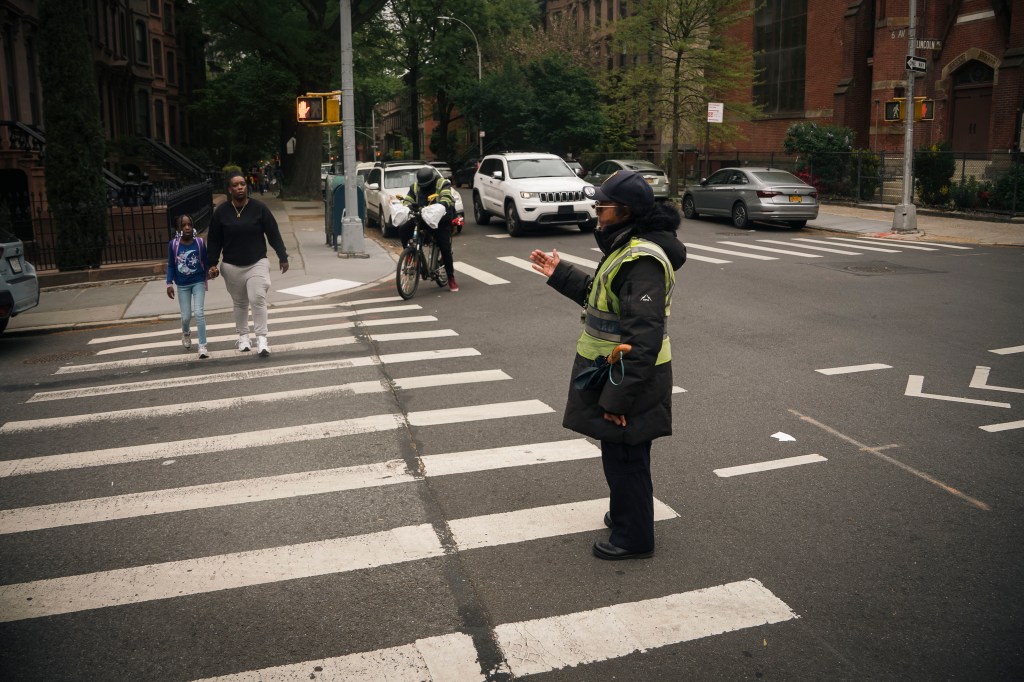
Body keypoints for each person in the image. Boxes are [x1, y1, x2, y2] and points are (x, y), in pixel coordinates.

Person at [529, 169, 686, 561]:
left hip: (630, 381)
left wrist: (618, 400)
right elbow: (603, 301)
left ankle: (634, 538)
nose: (596, 212)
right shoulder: (624, 247)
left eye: (603, 206)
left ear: (627, 210)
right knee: (619, 453)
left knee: (627, 456)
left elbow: (643, 340)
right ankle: (624, 515)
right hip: (617, 375)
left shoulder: (641, 260)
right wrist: (559, 274)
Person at [207, 171, 289, 357]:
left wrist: (282, 256)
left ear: (247, 186)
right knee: (240, 303)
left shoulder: (259, 208)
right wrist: (211, 263)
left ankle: (262, 339)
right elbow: (214, 240)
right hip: (231, 266)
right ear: (230, 189)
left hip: (257, 263)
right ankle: (243, 336)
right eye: (235, 185)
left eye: (242, 184)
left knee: (257, 298)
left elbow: (273, 233)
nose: (240, 187)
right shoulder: (221, 212)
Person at [400, 166, 458, 292]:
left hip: (441, 219)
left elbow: (446, 198)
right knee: (404, 229)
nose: (424, 187)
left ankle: (451, 278)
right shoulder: (415, 187)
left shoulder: (442, 183)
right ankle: (410, 255)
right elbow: (408, 199)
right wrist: (407, 206)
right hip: (422, 217)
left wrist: (440, 206)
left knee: (444, 246)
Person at [166, 214, 213, 359]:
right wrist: (169, 283)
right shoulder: (173, 245)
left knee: (199, 313)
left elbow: (205, 261)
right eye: (183, 225)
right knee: (186, 316)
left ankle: (202, 345)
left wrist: (211, 271)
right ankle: (186, 333)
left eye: (189, 225)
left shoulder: (199, 242)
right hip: (182, 285)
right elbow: (171, 265)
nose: (187, 227)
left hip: (198, 281)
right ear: (179, 228)